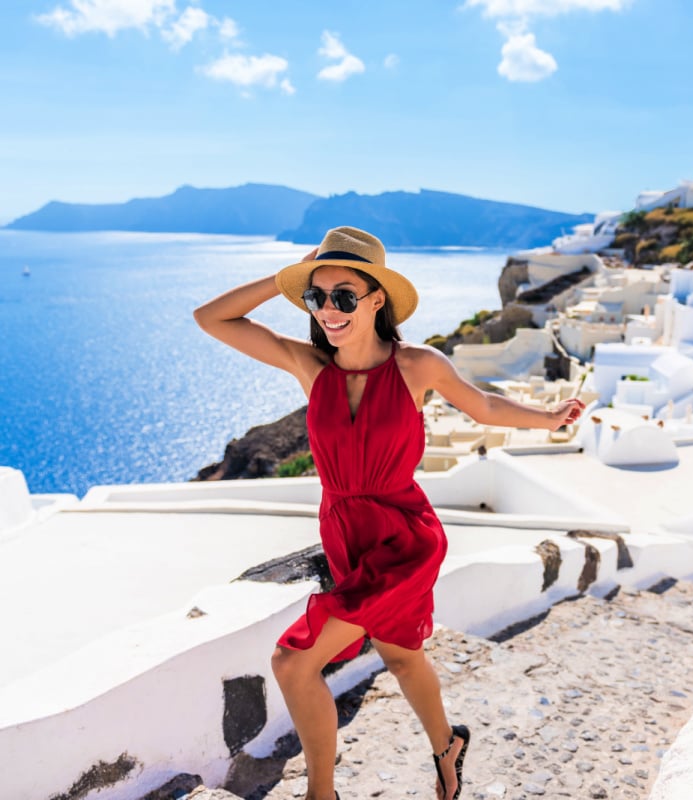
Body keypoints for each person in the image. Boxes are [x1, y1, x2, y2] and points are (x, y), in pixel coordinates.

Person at [194, 226, 585, 800]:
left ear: (377, 299)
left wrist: (548, 419)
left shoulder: (416, 365)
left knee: (293, 662)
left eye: (344, 296)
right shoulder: (311, 366)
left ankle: (319, 793)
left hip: (404, 540)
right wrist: (287, 276)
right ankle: (446, 745)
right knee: (402, 656)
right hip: (346, 537)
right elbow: (212, 318)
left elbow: (482, 405)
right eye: (317, 296)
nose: (329, 310)